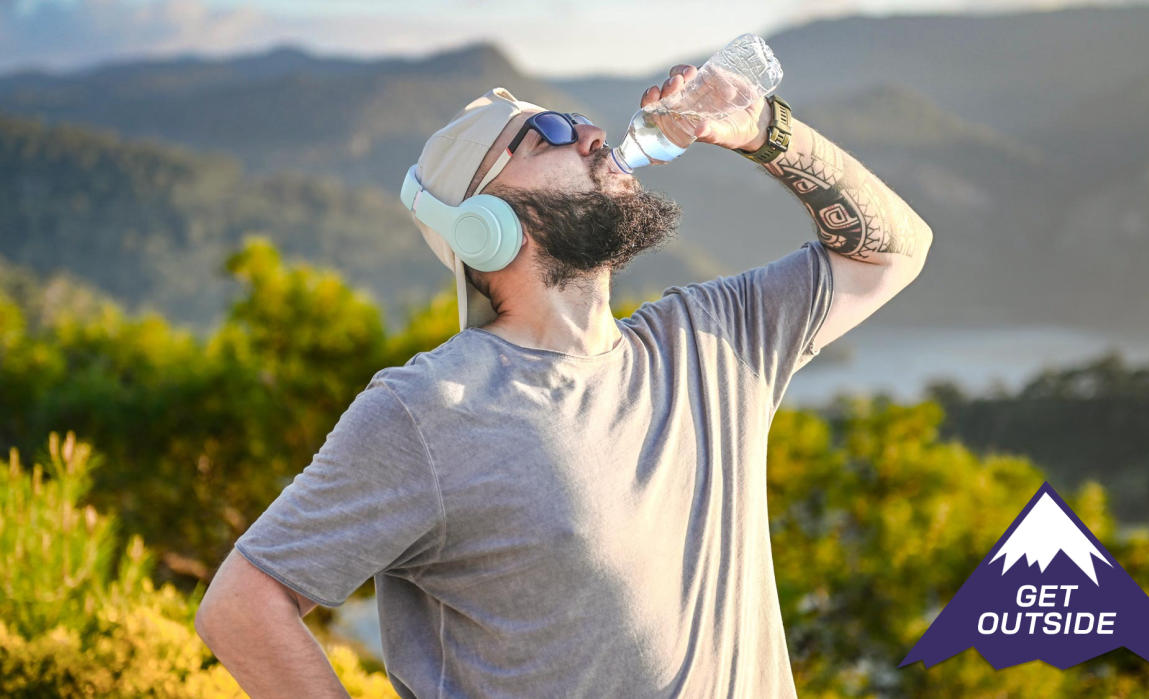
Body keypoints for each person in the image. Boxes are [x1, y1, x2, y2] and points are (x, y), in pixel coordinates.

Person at [195, 64, 933, 698]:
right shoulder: (431, 410)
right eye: (545, 130)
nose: (591, 134)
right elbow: (241, 605)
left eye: (580, 120)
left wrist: (764, 129)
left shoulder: (712, 341)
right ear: (481, 222)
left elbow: (893, 251)